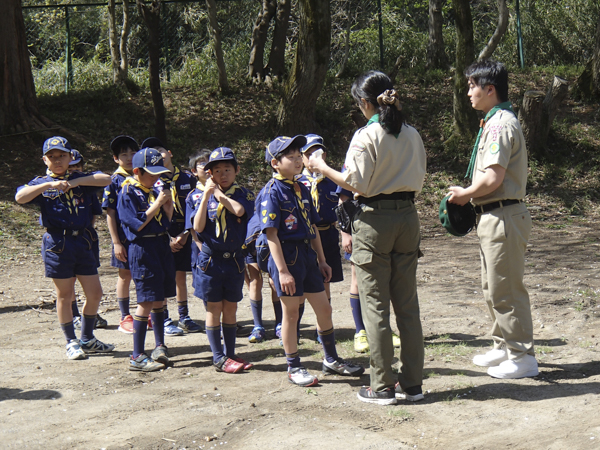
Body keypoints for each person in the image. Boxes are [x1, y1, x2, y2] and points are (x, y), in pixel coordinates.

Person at [308, 71, 427, 405]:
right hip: (408, 217)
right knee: (407, 305)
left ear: (364, 102)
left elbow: (354, 182)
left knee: (375, 305)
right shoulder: (413, 134)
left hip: (375, 221)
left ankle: (382, 386)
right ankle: (413, 384)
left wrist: (320, 166)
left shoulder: (366, 135)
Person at [447, 59, 538, 379]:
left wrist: (465, 194)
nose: (468, 91)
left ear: (490, 90)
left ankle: (523, 356)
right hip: (494, 215)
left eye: (473, 86)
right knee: (492, 286)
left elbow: (493, 177)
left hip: (503, 214)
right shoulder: (494, 120)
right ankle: (503, 346)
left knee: (507, 289)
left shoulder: (500, 124)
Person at [262, 135, 364, 387]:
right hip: (286, 257)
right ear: (275, 163)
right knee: (291, 313)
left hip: (308, 255)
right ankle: (294, 366)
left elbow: (314, 227)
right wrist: (283, 272)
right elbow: (271, 235)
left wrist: (322, 259)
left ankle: (330, 358)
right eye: (291, 157)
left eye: (299, 156)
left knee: (324, 309)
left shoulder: (302, 187)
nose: (298, 161)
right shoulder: (271, 192)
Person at [15, 136, 115, 360]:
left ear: (71, 157)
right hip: (58, 243)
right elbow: (19, 197)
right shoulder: (40, 182)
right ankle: (71, 341)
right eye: (52, 157)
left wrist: (76, 182)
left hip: (83, 241)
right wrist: (48, 185)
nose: (57, 160)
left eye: (62, 156)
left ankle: (87, 338)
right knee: (65, 294)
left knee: (95, 293)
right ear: (45, 160)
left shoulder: (79, 177)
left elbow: (106, 179)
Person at [189, 147, 255, 373]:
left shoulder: (243, 194)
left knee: (231, 309)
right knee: (214, 308)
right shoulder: (196, 196)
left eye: (228, 169)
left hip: (235, 259)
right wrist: (207, 195)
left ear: (236, 170)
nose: (223, 174)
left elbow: (238, 212)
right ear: (209, 174)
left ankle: (230, 353)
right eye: (217, 170)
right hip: (211, 261)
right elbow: (197, 227)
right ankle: (218, 356)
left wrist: (219, 195)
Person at [117, 147, 175, 372]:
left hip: (160, 244)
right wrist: (158, 203)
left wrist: (167, 205)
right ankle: (137, 355)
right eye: (151, 173)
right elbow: (137, 224)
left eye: (158, 173)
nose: (156, 178)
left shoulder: (153, 190)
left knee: (160, 298)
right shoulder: (128, 192)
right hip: (143, 248)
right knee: (146, 300)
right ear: (137, 171)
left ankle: (159, 345)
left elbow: (166, 222)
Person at [141, 137, 202, 335]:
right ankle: (165, 318)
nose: (158, 155)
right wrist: (167, 237)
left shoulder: (187, 179)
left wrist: (185, 234)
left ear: (170, 153)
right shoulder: (151, 182)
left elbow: (195, 207)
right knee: (164, 276)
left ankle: (184, 316)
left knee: (180, 276)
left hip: (185, 232)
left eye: (160, 150)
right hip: (162, 234)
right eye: (153, 153)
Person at [298, 134, 343, 344]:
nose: (315, 157)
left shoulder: (334, 179)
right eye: (309, 153)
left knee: (325, 282)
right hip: (304, 239)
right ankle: (293, 328)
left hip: (328, 234)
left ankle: (324, 328)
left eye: (319, 153)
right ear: (302, 158)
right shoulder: (296, 182)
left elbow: (342, 207)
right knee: (299, 283)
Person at [102, 135, 139, 334]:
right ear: (116, 158)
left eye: (133, 153)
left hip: (142, 237)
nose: (129, 157)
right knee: (125, 275)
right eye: (124, 154)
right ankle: (125, 315)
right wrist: (116, 242)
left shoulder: (143, 177)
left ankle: (144, 313)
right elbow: (110, 213)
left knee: (142, 274)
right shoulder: (114, 181)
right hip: (124, 237)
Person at [67, 149, 108, 330]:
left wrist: (87, 233)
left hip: (87, 237)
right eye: (71, 166)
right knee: (70, 279)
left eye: (77, 165)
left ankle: (90, 312)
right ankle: (74, 313)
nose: (74, 169)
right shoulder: (59, 186)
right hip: (67, 240)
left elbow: (94, 214)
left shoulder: (88, 188)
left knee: (89, 276)